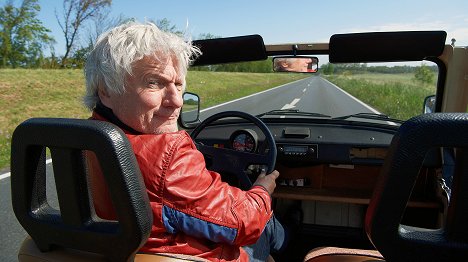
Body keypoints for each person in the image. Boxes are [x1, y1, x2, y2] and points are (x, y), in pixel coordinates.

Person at [83, 21, 287, 262]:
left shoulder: (84, 138)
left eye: (178, 85)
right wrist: (262, 189)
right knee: (265, 221)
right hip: (202, 256)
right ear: (106, 90)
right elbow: (244, 222)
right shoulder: (166, 155)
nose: (177, 101)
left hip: (127, 251)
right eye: (154, 82)